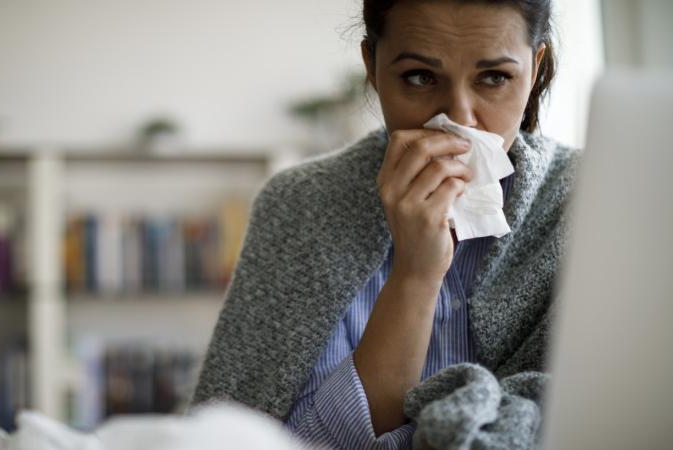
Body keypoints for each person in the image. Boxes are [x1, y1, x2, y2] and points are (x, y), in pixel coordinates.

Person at [193, 0, 581, 448]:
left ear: (535, 68)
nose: (459, 119)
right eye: (419, 77)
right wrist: (416, 272)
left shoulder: (589, 201)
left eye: (494, 78)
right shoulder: (303, 205)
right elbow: (272, 439)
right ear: (372, 67)